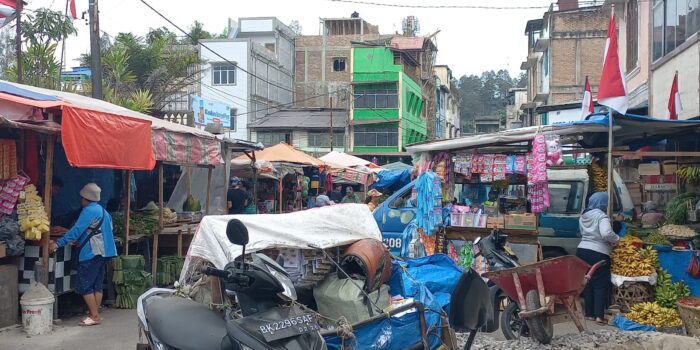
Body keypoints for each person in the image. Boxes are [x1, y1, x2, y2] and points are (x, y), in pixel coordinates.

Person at [49, 183, 116, 326]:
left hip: (92, 251)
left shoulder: (88, 211)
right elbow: (108, 229)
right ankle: (94, 313)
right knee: (96, 284)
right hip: (105, 252)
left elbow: (76, 230)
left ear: (86, 198)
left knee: (85, 284)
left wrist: (58, 243)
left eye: (82, 197)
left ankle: (94, 316)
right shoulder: (104, 211)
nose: (81, 200)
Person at [576, 192, 619, 325]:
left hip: (582, 250)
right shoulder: (602, 216)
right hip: (598, 252)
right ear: (603, 203)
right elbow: (606, 233)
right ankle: (599, 316)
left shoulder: (583, 215)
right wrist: (617, 239)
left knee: (588, 283)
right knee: (600, 284)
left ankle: (589, 314)